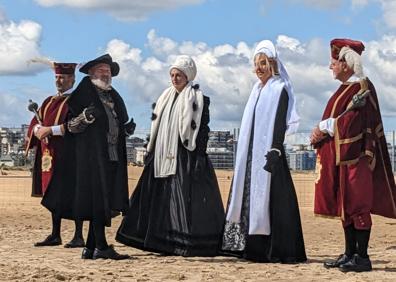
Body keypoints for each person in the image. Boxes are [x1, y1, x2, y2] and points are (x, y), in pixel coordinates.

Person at [116, 55, 225, 256]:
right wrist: (150, 150)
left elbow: (203, 129)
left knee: (182, 199)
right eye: (172, 75)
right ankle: (160, 242)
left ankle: (183, 243)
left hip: (185, 154)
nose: (175, 79)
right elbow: (156, 127)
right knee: (160, 199)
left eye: (179, 75)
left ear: (188, 76)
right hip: (161, 154)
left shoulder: (199, 99)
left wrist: (199, 155)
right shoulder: (164, 98)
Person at [311, 38, 396, 272]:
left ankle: (362, 256)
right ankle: (349, 253)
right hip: (341, 159)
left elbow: (356, 124)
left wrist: (326, 126)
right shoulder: (347, 89)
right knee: (345, 206)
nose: (331, 67)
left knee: (358, 205)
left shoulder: (362, 88)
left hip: (356, 158)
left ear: (346, 63)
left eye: (333, 62)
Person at [222, 40, 306, 263]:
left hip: (270, 154)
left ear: (272, 64)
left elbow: (279, 121)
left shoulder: (280, 89)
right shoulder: (255, 90)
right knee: (249, 198)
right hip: (250, 157)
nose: (258, 68)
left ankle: (275, 250)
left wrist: (276, 148)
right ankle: (252, 249)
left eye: (263, 63)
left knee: (274, 201)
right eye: (256, 64)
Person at [67, 54, 135, 260]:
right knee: (97, 201)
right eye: (101, 70)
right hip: (91, 158)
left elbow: (115, 122)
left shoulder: (112, 95)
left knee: (103, 199)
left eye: (108, 71)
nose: (106, 74)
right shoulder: (81, 96)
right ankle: (102, 246)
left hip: (111, 155)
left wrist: (126, 130)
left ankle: (90, 247)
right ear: (91, 73)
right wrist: (84, 118)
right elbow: (71, 126)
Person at [26, 62, 85, 248]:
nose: (59, 81)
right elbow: (35, 122)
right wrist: (37, 129)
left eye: (63, 77)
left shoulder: (78, 101)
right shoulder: (48, 101)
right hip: (49, 155)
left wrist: (49, 130)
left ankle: (78, 235)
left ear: (72, 79)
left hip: (70, 155)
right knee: (53, 193)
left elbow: (76, 125)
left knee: (75, 193)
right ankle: (55, 234)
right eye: (57, 77)